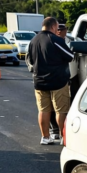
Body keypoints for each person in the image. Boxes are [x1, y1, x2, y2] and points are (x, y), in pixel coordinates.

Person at [27, 17, 74, 145]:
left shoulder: (33, 40)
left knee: (43, 110)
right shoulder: (55, 40)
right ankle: (62, 136)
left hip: (39, 81)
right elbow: (70, 56)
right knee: (61, 110)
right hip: (58, 81)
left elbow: (30, 61)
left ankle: (45, 137)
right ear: (53, 26)